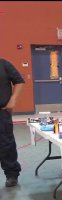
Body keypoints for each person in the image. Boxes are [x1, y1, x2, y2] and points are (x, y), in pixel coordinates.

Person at [0, 58, 25, 187]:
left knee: (6, 144)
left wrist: (13, 99)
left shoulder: (4, 64)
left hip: (1, 113)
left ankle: (11, 174)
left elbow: (19, 81)